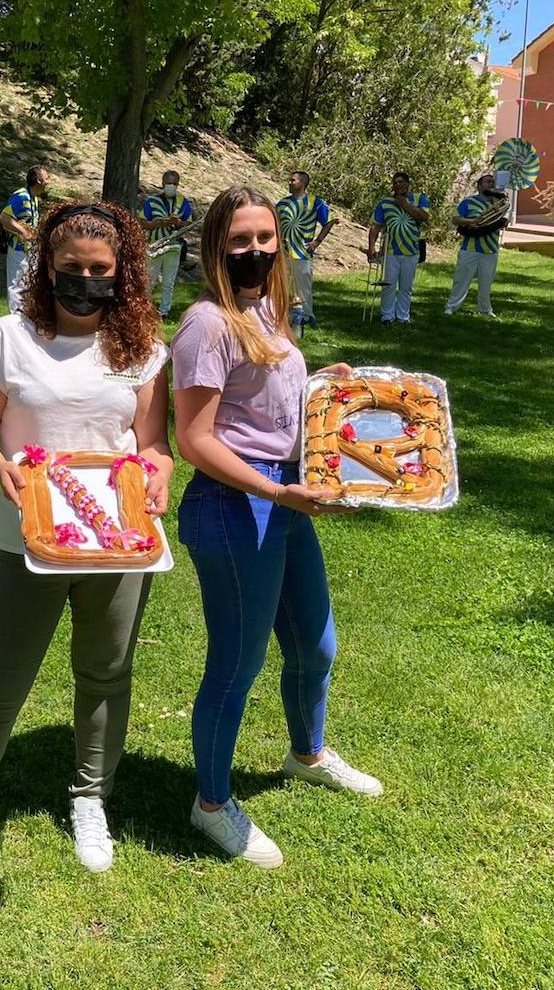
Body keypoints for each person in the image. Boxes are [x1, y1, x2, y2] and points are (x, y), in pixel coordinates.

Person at [0, 202, 173, 907]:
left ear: (124, 273)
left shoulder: (140, 346)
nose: (85, 281)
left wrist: (160, 466)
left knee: (105, 673)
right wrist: (1, 467)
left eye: (100, 272)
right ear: (46, 267)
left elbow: (151, 443)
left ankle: (90, 798)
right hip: (27, 541)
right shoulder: (6, 339)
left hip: (117, 544)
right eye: (71, 269)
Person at [172, 185, 381, 869]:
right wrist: (275, 490)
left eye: (265, 238)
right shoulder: (208, 323)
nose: (256, 250)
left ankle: (306, 753)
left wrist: (322, 386)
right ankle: (209, 805)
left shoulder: (267, 309)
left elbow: (264, 403)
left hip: (284, 499)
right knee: (236, 666)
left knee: (316, 645)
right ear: (215, 248)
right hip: (237, 504)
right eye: (240, 240)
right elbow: (195, 439)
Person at [367, 172, 430, 326]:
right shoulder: (385, 203)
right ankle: (387, 316)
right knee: (388, 285)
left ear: (408, 184)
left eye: (401, 182)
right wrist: (371, 247)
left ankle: (403, 316)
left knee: (406, 287)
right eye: (395, 183)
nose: (397, 185)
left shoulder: (419, 199)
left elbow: (424, 216)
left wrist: (404, 204)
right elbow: (375, 226)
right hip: (390, 250)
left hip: (411, 250)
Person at [275, 170, 335, 328]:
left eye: (293, 180)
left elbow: (328, 222)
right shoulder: (282, 204)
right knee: (284, 284)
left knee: (303, 285)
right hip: (283, 251)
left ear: (303, 183)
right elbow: (274, 223)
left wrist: (317, 241)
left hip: (303, 252)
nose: (289, 182)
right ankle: (285, 316)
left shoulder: (316, 202)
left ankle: (307, 316)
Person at [444, 173, 507, 318]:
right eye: (487, 182)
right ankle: (451, 307)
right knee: (461, 280)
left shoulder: (498, 204)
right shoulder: (468, 202)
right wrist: (469, 222)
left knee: (486, 282)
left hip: (490, 248)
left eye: (492, 182)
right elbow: (455, 219)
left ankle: (485, 309)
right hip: (470, 248)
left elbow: (500, 219)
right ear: (479, 186)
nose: (490, 184)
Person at [141, 170, 194, 317]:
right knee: (149, 281)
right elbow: (143, 223)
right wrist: (160, 223)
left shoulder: (183, 202)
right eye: (168, 183)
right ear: (162, 183)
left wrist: (178, 223)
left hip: (174, 247)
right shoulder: (151, 202)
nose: (171, 186)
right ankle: (143, 310)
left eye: (174, 184)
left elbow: (188, 224)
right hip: (154, 246)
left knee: (168, 283)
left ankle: (164, 312)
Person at [0, 167, 49, 313]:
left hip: (30, 248)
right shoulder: (21, 196)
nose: (49, 181)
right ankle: (14, 318)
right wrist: (22, 231)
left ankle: (25, 315)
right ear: (39, 181)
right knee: (16, 285)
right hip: (18, 248)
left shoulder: (33, 198)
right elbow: (4, 217)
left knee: (29, 282)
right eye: (47, 178)